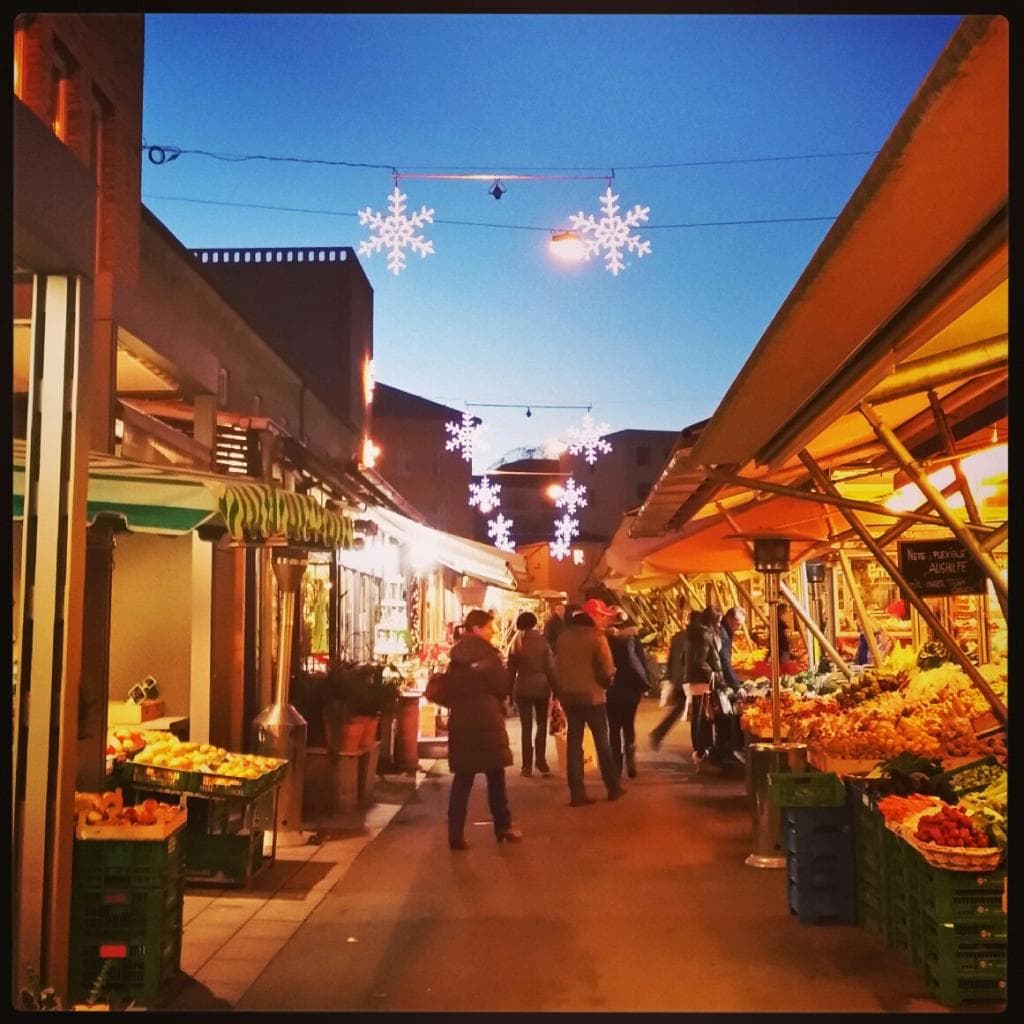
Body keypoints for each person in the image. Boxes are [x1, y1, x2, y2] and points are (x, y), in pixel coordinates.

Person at [445, 609, 522, 850]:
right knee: (496, 777)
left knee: (462, 780)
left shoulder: (455, 657)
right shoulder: (490, 655)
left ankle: (455, 835)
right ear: (477, 629)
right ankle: (503, 827)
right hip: (487, 720)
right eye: (489, 627)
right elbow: (502, 686)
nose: (493, 631)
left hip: (462, 721)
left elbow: (450, 690)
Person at [553, 598, 626, 806]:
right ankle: (613, 787)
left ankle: (577, 792)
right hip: (593, 697)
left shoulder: (563, 637)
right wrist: (606, 683)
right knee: (602, 742)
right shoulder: (596, 637)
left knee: (574, 743)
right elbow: (607, 668)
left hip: (569, 696)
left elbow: (556, 663)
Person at [507, 611, 556, 776]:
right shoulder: (543, 641)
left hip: (522, 688)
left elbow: (510, 671)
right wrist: (556, 689)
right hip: (542, 687)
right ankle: (541, 762)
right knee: (542, 724)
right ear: (535, 623)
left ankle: (526, 766)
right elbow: (550, 667)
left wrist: (507, 692)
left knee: (526, 727)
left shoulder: (516, 642)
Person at [606, 612, 650, 778]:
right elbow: (642, 662)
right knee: (628, 725)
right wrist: (644, 685)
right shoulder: (632, 639)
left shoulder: (605, 639)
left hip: (612, 689)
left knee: (614, 729)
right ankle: (630, 761)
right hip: (631, 690)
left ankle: (616, 766)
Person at [649, 605, 698, 750]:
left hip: (678, 679)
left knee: (681, 709)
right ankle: (698, 748)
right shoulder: (695, 638)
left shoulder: (677, 637)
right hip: (689, 680)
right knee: (694, 714)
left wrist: (670, 676)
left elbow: (671, 659)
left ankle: (658, 733)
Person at [688, 606, 724, 769]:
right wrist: (714, 674)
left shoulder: (698, 633)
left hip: (698, 681)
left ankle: (701, 750)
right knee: (703, 717)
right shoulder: (705, 634)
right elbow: (700, 660)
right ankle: (702, 751)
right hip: (703, 682)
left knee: (701, 716)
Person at [714, 606, 747, 768]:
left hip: (718, 679)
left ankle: (720, 752)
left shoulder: (723, 632)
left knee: (722, 719)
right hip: (720, 681)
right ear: (729, 619)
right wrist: (736, 685)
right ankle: (725, 754)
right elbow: (725, 663)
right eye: (738, 623)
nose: (739, 627)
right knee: (725, 718)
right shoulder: (724, 635)